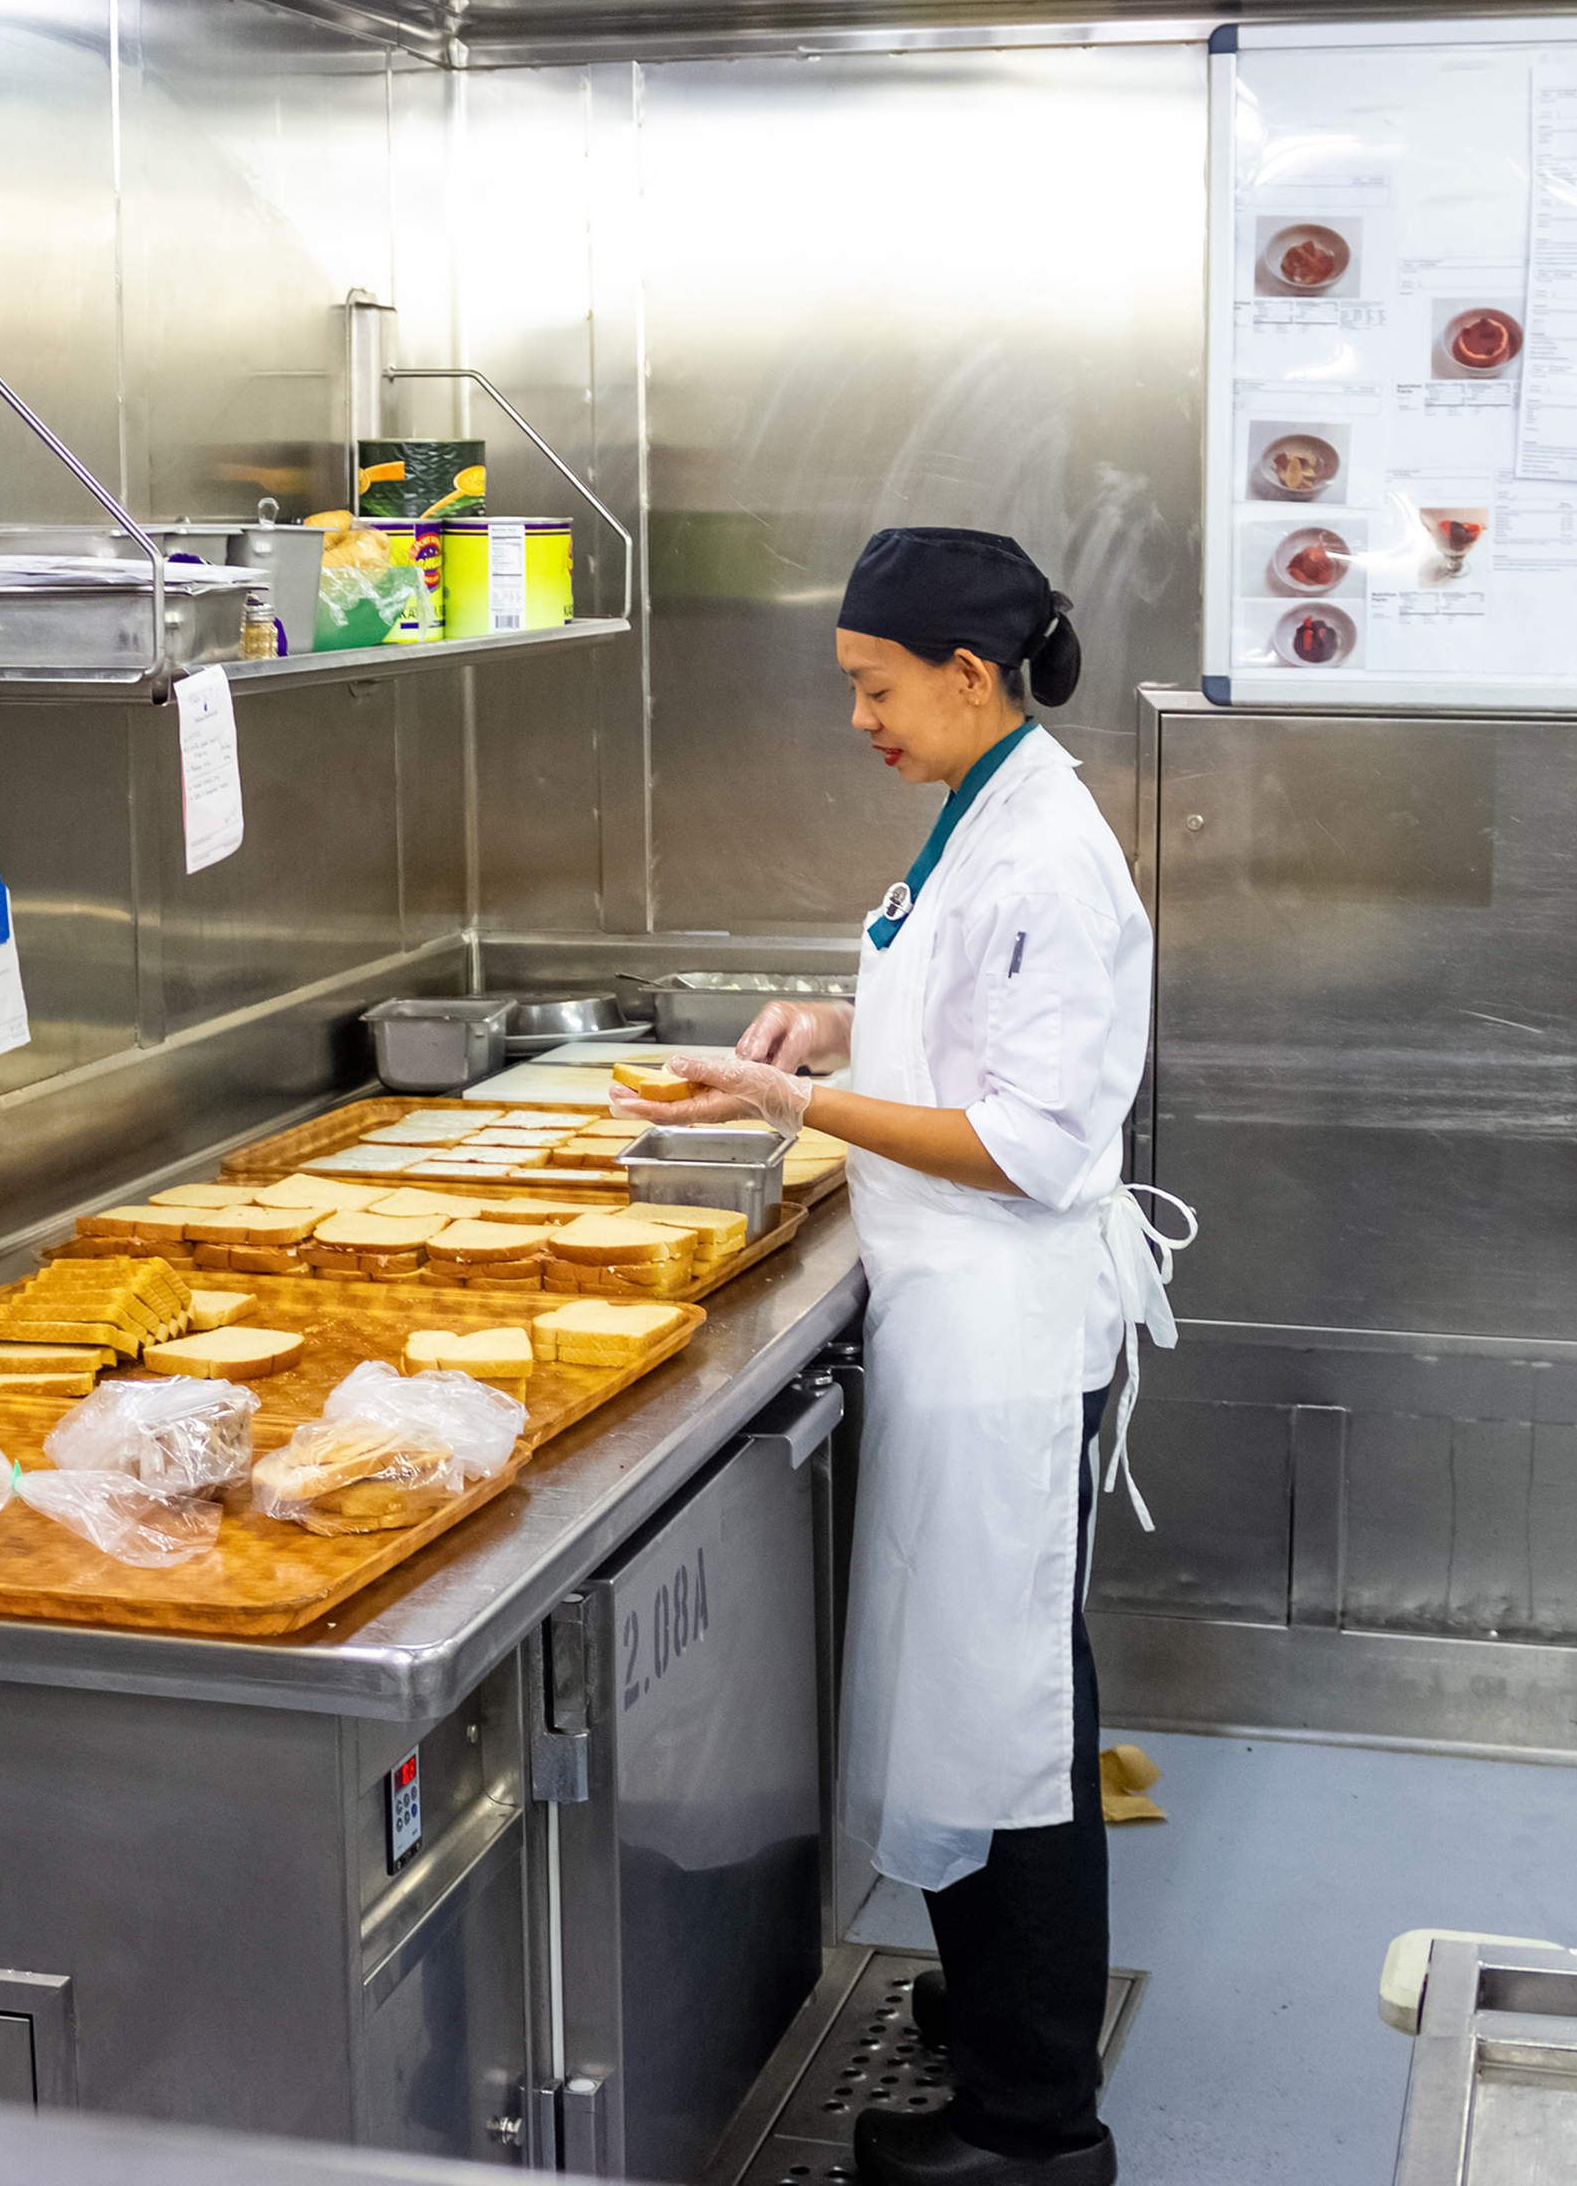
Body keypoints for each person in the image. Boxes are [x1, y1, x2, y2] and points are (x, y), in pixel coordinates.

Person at [612, 527, 1186, 2186]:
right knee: (981, 1695)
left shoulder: (1049, 851)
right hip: (957, 1320)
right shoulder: (982, 802)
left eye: (875, 687)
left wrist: (791, 1103)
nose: (858, 715)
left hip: (1008, 1335)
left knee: (1004, 1716)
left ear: (968, 675)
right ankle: (1007, 2007)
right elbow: (967, 1020)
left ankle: (1031, 2128)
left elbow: (1031, 1141)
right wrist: (838, 1024)